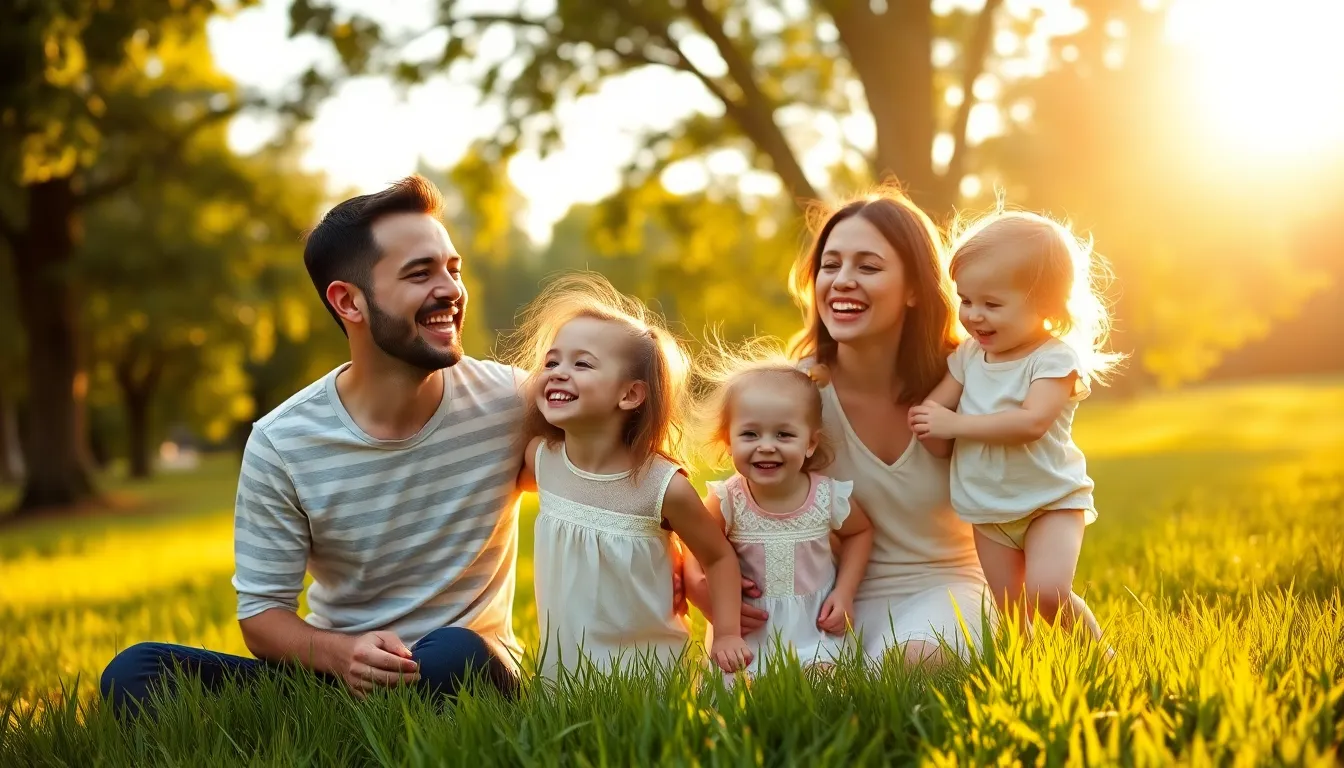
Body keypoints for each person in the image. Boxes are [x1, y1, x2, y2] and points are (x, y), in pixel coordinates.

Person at [100, 175, 524, 716]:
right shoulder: (283, 442)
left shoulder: (511, 400)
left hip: (462, 670)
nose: (450, 290)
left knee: (453, 651)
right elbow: (262, 614)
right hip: (340, 681)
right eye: (420, 273)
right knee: (135, 673)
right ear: (349, 302)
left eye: (452, 269)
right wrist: (343, 654)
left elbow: (616, 445)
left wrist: (668, 524)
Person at [510, 273, 752, 678]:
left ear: (630, 395)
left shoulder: (662, 487)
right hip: (564, 677)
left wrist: (727, 632)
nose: (557, 371)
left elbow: (717, 555)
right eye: (551, 361)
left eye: (581, 363)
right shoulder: (542, 460)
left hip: (650, 674)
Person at [909, 210, 1120, 635]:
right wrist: (928, 424)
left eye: (992, 304)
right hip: (988, 509)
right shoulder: (969, 356)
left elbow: (1031, 421)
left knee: (1047, 593)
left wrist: (953, 426)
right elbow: (934, 415)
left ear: (1046, 307)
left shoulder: (1052, 359)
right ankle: (1026, 672)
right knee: (1010, 609)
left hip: (1049, 502)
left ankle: (1099, 658)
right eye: (966, 301)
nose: (975, 316)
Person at [689, 342, 874, 678]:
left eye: (784, 434)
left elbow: (859, 533)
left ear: (810, 443)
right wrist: (723, 625)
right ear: (729, 441)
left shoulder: (826, 496)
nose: (767, 446)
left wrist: (845, 592)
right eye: (750, 434)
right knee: (735, 691)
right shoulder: (728, 499)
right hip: (745, 631)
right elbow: (696, 546)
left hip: (813, 625)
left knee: (826, 683)